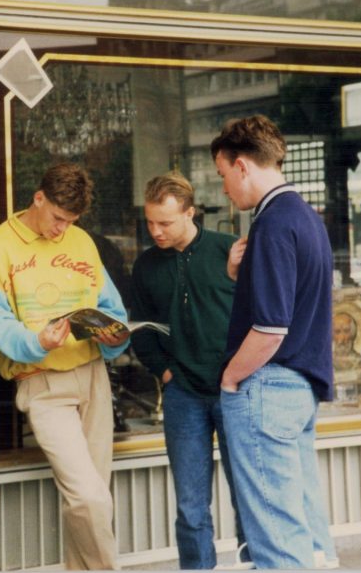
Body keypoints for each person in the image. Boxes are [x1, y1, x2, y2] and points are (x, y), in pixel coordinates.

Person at [0, 162, 130, 570]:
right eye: (58, 218)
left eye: (71, 221)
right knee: (88, 497)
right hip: (42, 382)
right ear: (38, 198)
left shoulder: (82, 242)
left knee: (96, 495)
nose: (62, 229)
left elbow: (111, 306)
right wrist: (36, 342)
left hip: (93, 376)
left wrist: (115, 336)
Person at [212, 115, 338, 569]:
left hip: (267, 387)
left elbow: (270, 328)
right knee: (308, 537)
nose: (225, 189)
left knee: (276, 543)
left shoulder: (271, 223)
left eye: (223, 175)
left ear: (242, 166)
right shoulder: (306, 217)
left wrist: (230, 379)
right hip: (301, 387)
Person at [130, 173, 247, 569]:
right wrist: (163, 371)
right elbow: (141, 327)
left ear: (190, 212)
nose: (155, 231)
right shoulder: (146, 265)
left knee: (246, 493)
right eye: (150, 222)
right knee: (190, 504)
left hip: (234, 390)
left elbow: (257, 315)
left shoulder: (227, 250)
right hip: (182, 395)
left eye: (165, 222)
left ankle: (255, 565)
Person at [333, 311, 361, 384]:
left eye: (346, 331)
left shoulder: (360, 362)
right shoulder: (326, 361)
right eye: (337, 332)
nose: (342, 338)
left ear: (353, 333)